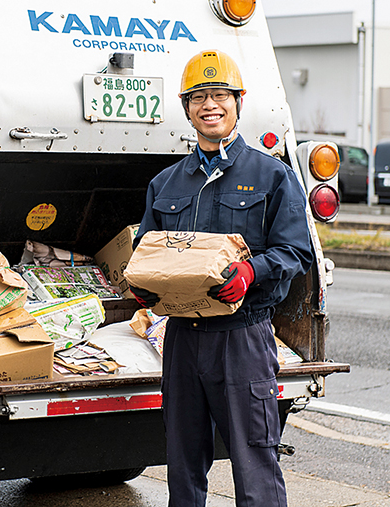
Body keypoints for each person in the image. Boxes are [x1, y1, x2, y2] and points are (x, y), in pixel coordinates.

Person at [131, 50, 314, 506]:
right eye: (198, 97)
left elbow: (296, 252)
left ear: (238, 102)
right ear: (186, 107)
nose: (209, 105)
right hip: (181, 340)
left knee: (254, 460)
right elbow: (147, 251)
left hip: (242, 340)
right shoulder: (167, 183)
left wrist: (253, 271)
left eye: (219, 95)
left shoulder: (272, 176)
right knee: (183, 460)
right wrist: (144, 284)